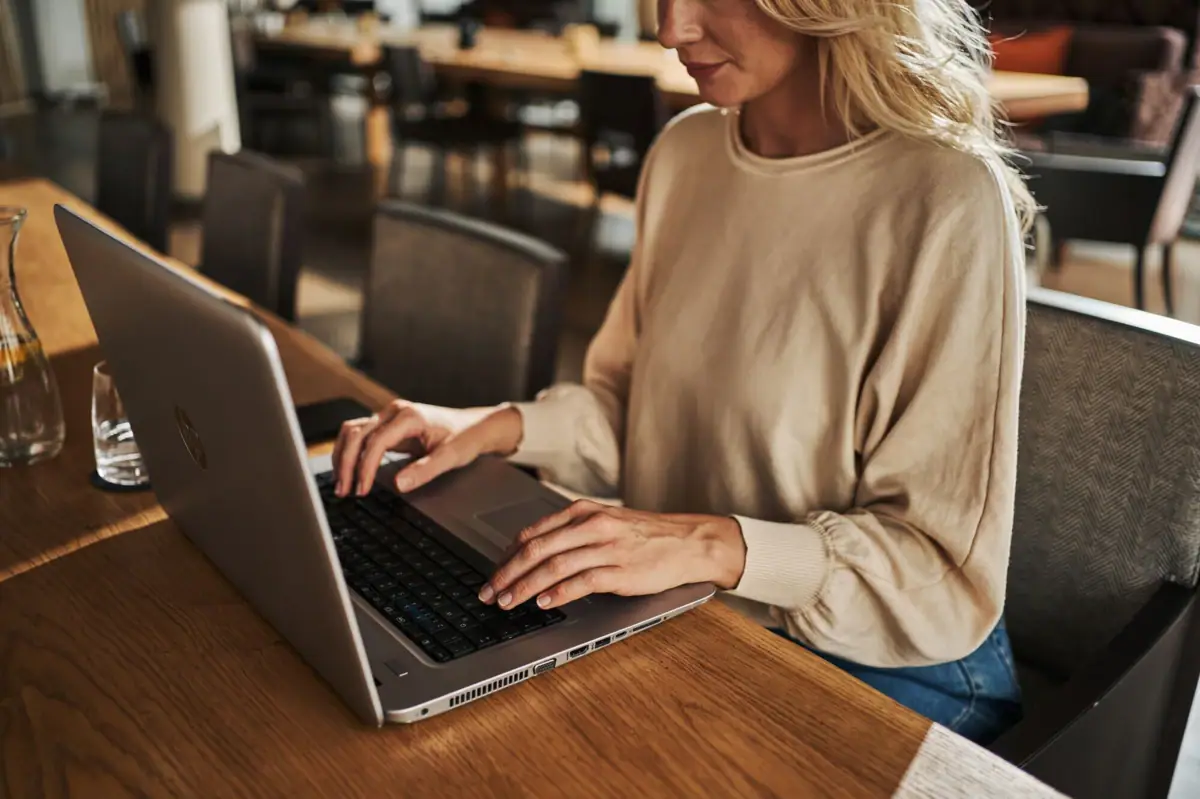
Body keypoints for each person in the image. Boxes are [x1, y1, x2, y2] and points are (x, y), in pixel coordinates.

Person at [333, 0, 1032, 744]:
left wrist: (708, 546)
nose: (671, 30)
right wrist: (487, 427)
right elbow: (631, 410)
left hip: (893, 656)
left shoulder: (947, 198)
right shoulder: (686, 151)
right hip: (689, 607)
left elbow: (938, 575)